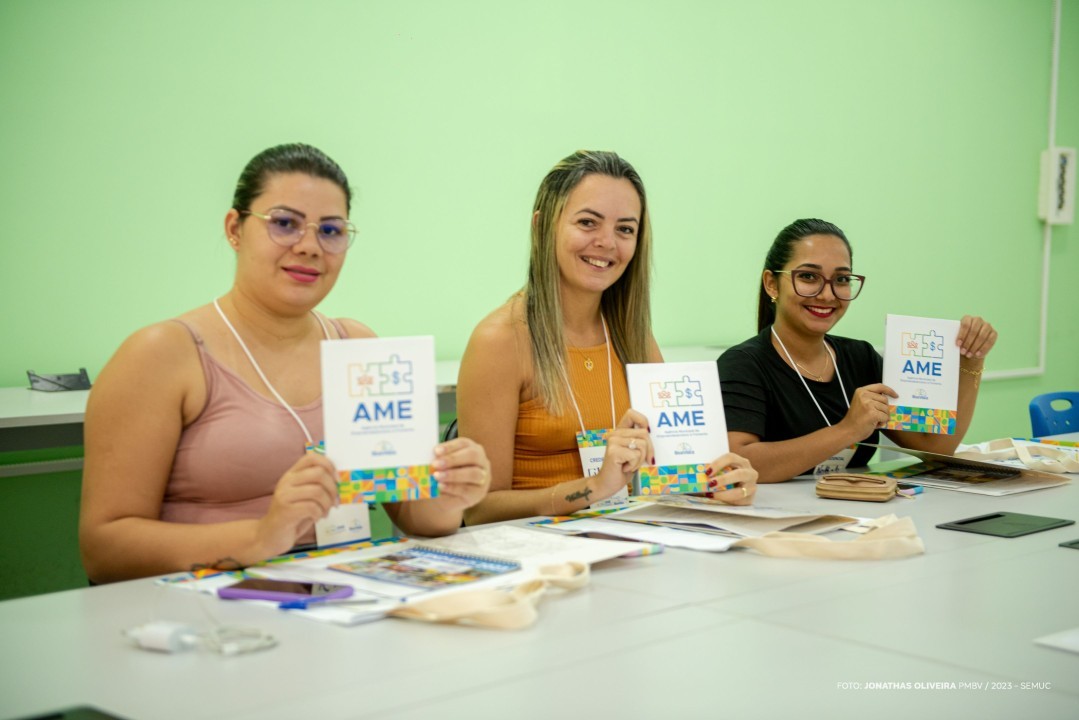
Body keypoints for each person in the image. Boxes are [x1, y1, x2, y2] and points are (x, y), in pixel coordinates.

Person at [80, 143, 491, 583]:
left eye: (330, 230)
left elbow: (415, 517)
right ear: (235, 229)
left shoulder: (358, 348)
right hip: (214, 622)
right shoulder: (163, 353)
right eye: (284, 224)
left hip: (346, 602)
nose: (310, 246)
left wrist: (452, 493)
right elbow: (105, 550)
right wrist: (260, 537)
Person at [457, 150, 757, 525]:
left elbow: (660, 475)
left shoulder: (633, 337)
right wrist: (592, 488)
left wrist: (714, 482)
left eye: (625, 229)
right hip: (540, 557)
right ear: (541, 226)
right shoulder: (499, 340)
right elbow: (478, 509)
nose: (607, 242)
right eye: (587, 222)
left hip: (625, 542)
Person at [717, 218, 997, 483]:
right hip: (781, 524)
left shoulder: (861, 358)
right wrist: (847, 430)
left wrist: (972, 358)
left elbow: (935, 446)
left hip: (859, 518)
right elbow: (740, 461)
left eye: (841, 280)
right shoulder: (743, 364)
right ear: (771, 283)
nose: (827, 294)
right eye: (808, 277)